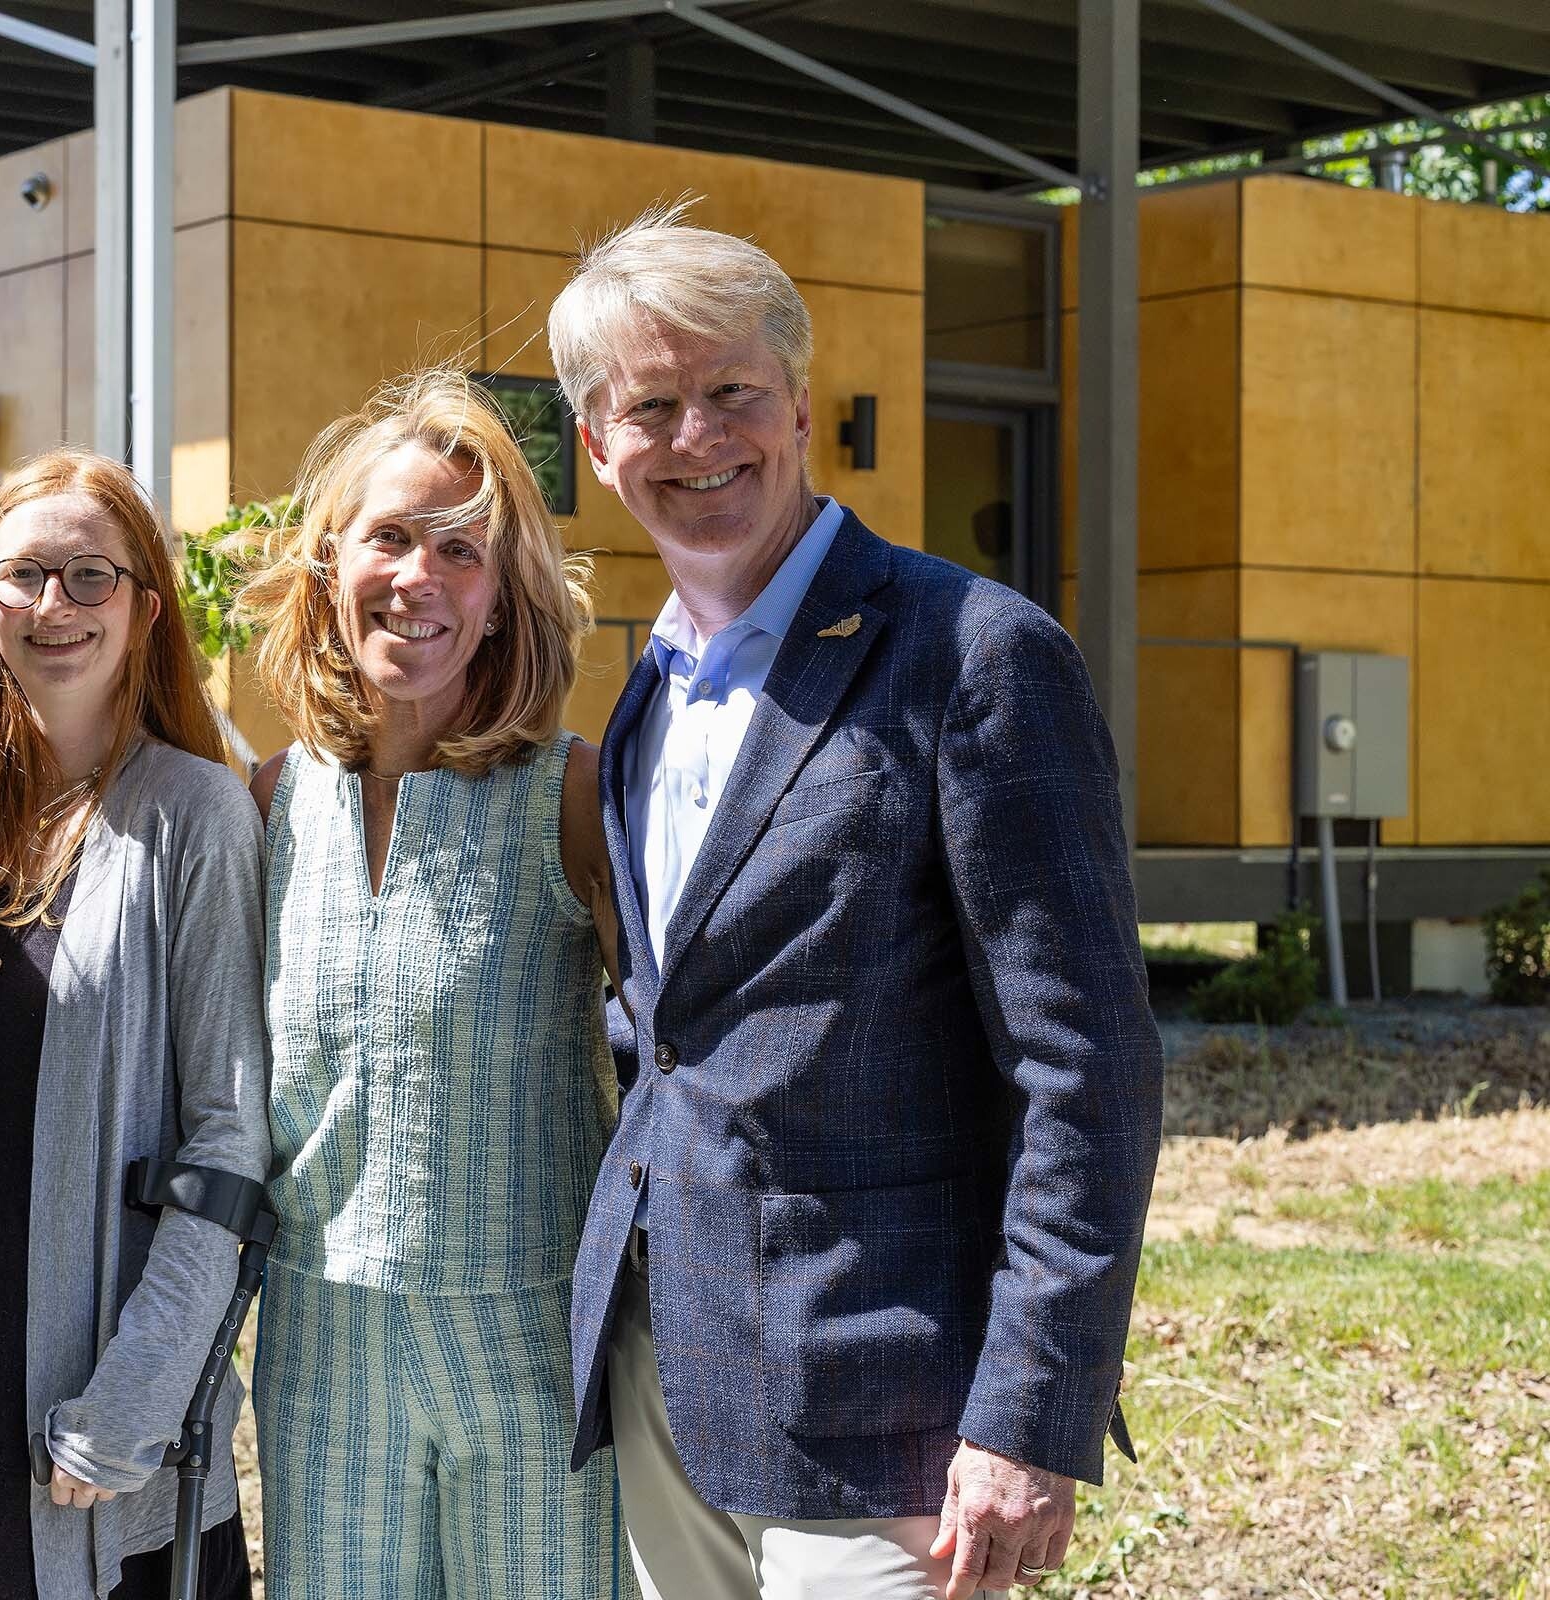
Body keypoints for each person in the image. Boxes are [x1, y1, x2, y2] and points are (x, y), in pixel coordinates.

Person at [546, 203, 1165, 1599]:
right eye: (651, 406)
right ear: (598, 443)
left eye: (731, 394)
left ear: (801, 404)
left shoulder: (977, 655)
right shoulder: (646, 691)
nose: (699, 438)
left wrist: (1029, 1414)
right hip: (667, 1384)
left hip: (898, 1409)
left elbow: (1089, 1070)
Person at [0, 447, 270, 1600]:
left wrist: (138, 1396)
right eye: (23, 575)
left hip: (79, 1421)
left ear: (145, 606)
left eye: (90, 576)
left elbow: (229, 1143)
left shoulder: (196, 817)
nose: (54, 606)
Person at [234, 368, 633, 1599]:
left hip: (532, 1341)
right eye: (390, 538)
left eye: (463, 550)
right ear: (327, 570)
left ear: (506, 595)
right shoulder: (264, 806)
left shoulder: (568, 796)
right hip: (319, 1345)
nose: (420, 578)